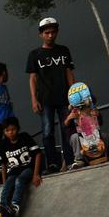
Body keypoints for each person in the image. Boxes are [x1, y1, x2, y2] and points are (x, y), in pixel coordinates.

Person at [26, 17, 77, 172]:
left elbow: (69, 72)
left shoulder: (64, 50)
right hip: (45, 98)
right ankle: (53, 163)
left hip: (64, 97)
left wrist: (75, 94)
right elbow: (32, 78)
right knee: (48, 131)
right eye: (47, 33)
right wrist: (34, 99)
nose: (50, 35)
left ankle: (69, 161)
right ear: (41, 34)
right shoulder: (35, 54)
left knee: (67, 128)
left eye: (53, 32)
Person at [0, 116, 44, 217]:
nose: (10, 133)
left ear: (18, 128)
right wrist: (4, 182)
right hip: (14, 171)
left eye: (13, 129)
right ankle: (3, 207)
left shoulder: (24, 137)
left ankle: (15, 208)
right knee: (9, 183)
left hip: (28, 168)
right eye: (7, 131)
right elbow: (4, 165)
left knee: (19, 181)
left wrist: (36, 174)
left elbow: (38, 154)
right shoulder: (3, 144)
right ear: (4, 132)